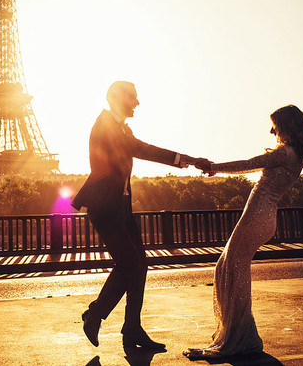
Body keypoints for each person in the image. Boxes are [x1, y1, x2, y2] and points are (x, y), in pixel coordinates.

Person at [184, 105, 303, 359]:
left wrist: (213, 167)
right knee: (225, 267)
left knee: (234, 269)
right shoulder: (295, 154)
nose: (271, 130)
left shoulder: (285, 153)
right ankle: (240, 336)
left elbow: (248, 164)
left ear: (285, 126)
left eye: (274, 126)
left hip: (257, 216)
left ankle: (237, 341)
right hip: (263, 216)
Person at [72, 81, 205, 351]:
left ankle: (130, 328)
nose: (138, 103)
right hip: (106, 209)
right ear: (118, 98)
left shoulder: (121, 128)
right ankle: (97, 315)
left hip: (120, 208)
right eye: (133, 98)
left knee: (139, 265)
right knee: (132, 265)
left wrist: (186, 159)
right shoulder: (107, 125)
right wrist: (187, 159)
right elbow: (142, 149)